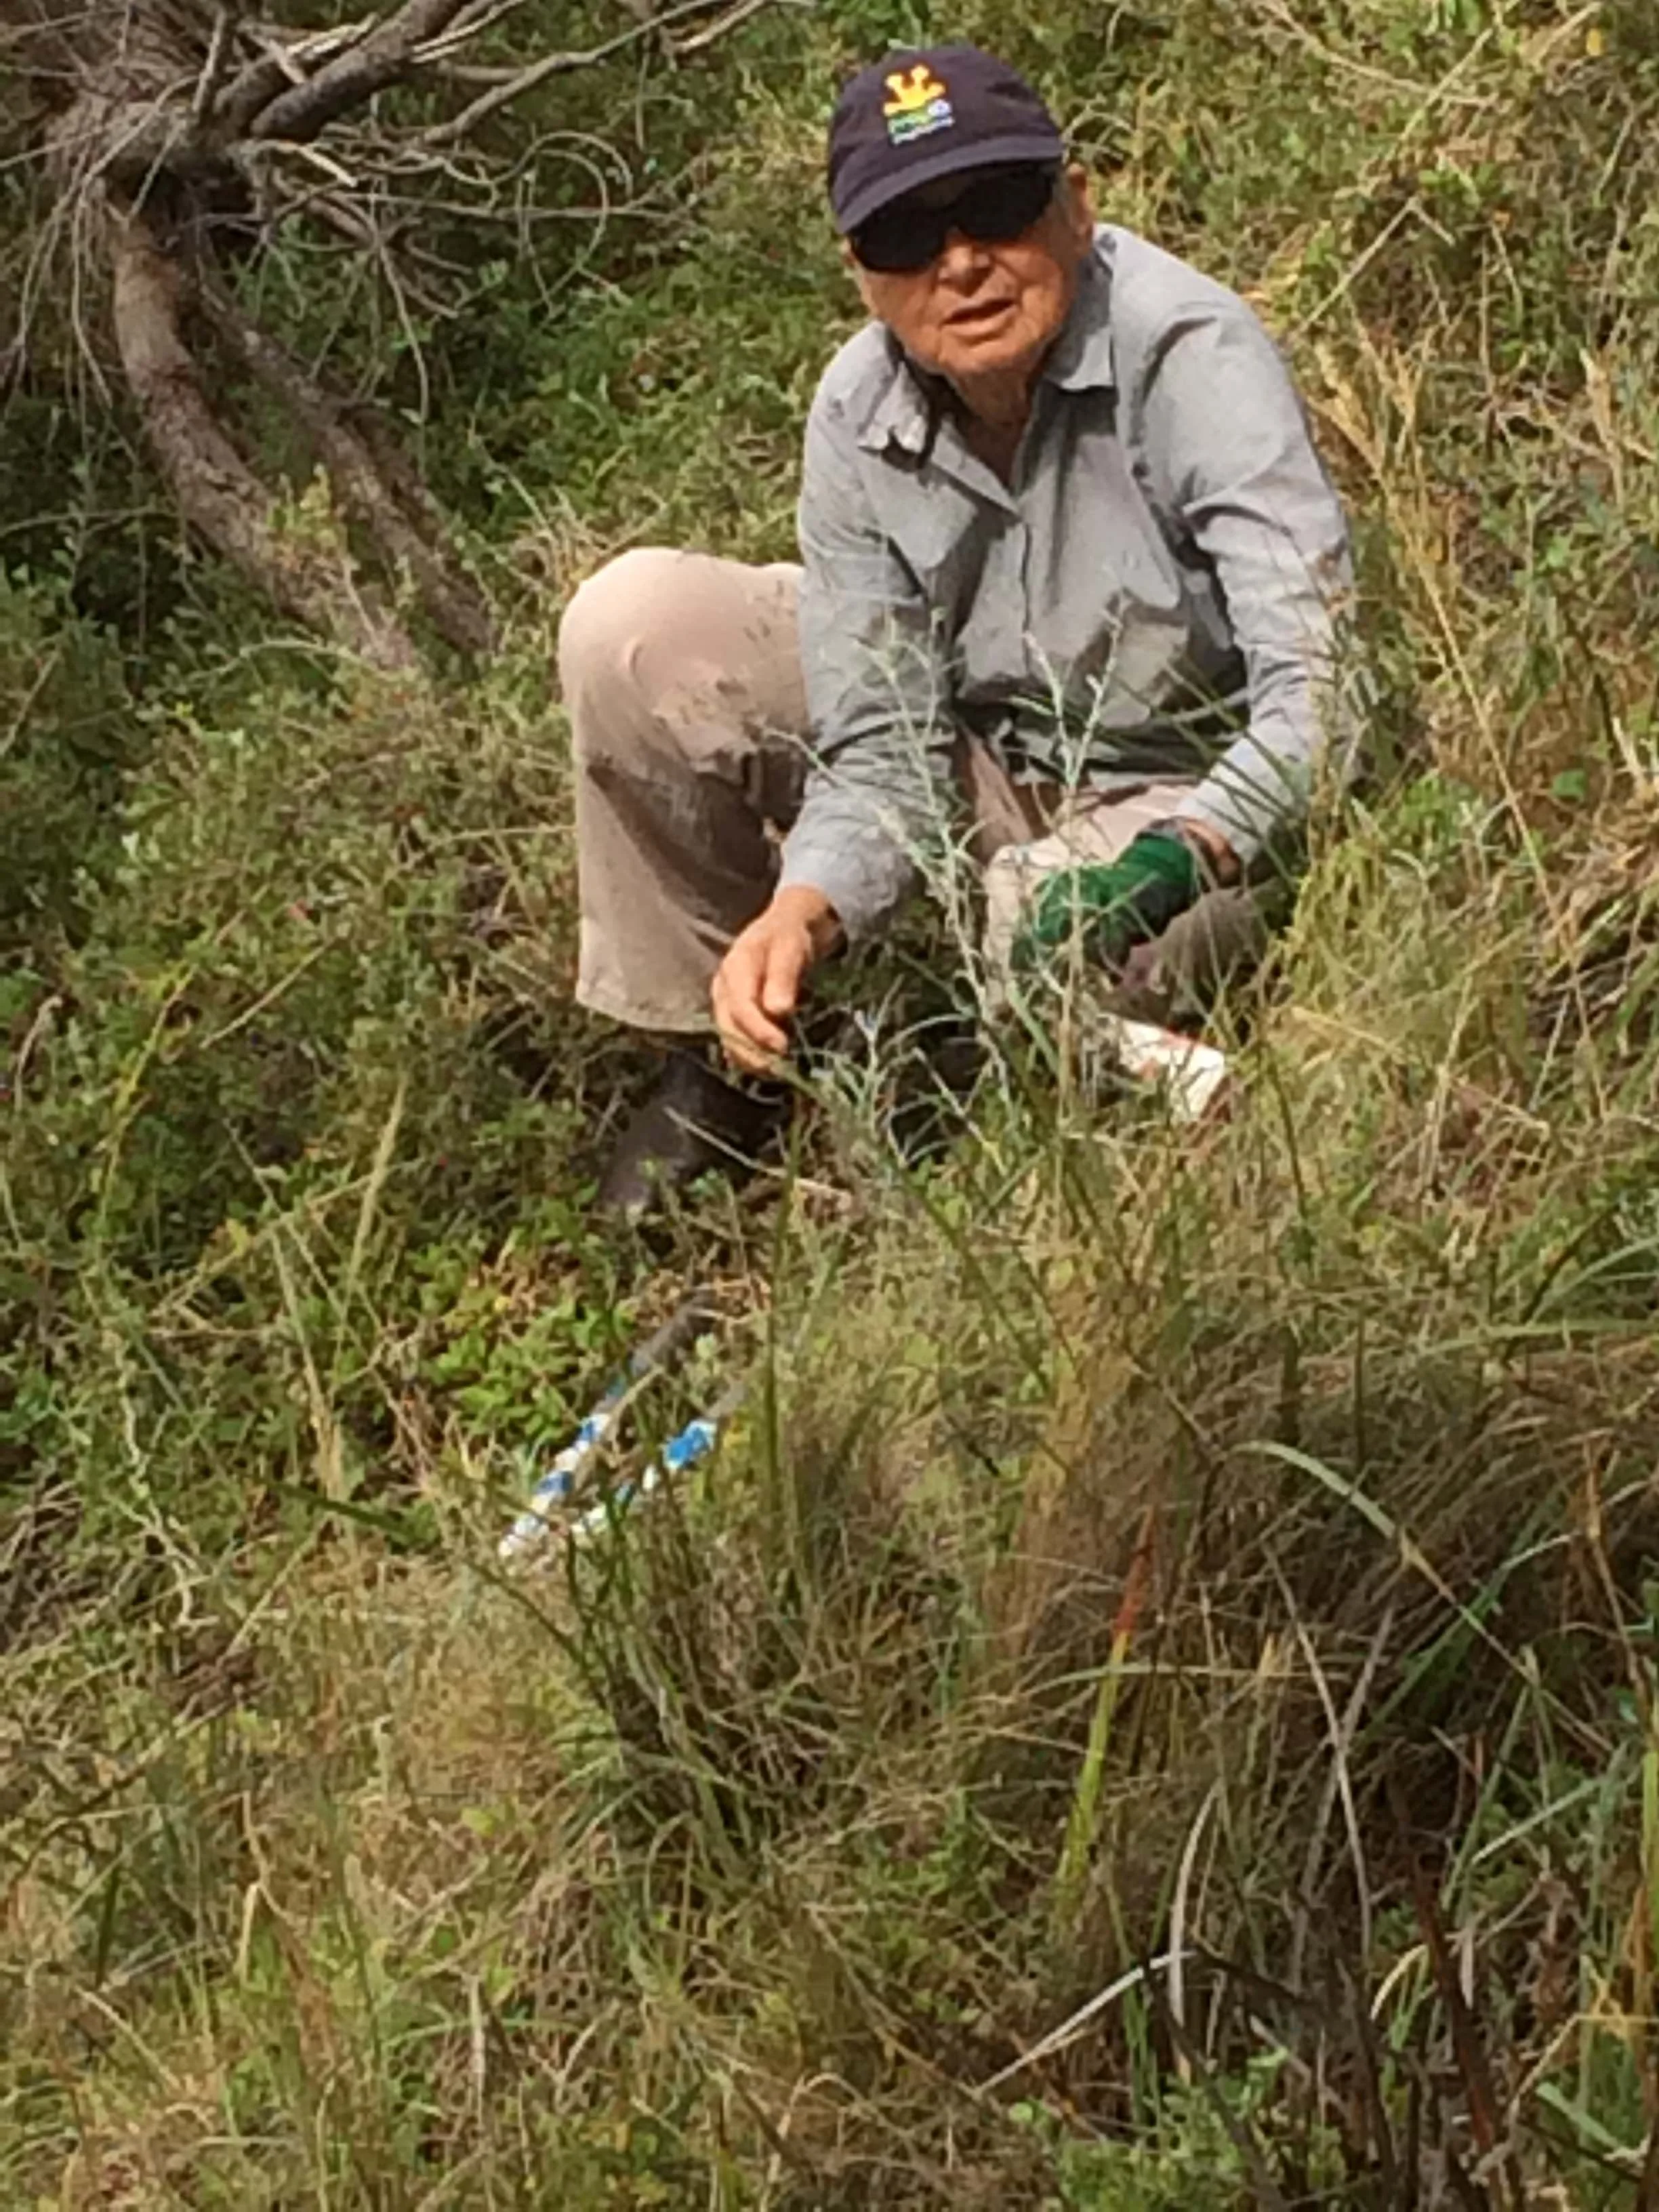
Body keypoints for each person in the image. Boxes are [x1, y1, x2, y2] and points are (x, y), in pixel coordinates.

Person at [560, 44, 1354, 1214]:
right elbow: (883, 735)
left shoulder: (1190, 355)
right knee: (632, 628)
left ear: (1074, 206)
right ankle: (731, 1039)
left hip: (1177, 790)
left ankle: (987, 1051)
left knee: (1026, 928)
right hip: (975, 755)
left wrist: (1191, 849)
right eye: (907, 238)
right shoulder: (854, 409)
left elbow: (1323, 691)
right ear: (859, 272)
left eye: (995, 207)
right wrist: (804, 907)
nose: (963, 264)